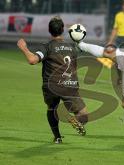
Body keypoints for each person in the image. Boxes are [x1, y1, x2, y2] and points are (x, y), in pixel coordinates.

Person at [17, 16, 88, 144]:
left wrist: (24, 48)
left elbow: (32, 60)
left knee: (52, 108)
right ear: (62, 30)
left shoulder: (47, 47)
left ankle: (57, 137)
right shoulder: (72, 48)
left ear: (49, 30)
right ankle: (75, 120)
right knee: (83, 114)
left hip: (51, 86)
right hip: (69, 85)